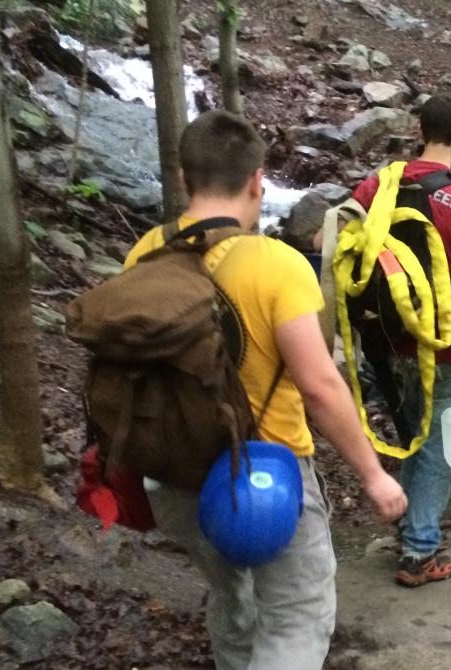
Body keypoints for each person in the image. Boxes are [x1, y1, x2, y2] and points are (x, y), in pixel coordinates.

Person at [124, 110, 407, 669]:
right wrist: (373, 475)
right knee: (298, 617)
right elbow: (320, 386)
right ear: (257, 181)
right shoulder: (276, 264)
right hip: (264, 482)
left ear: (184, 179)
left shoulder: (144, 254)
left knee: (232, 598)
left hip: (176, 474)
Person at [349, 94, 451, 587]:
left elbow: (326, 241)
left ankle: (410, 525)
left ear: (420, 130)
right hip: (443, 345)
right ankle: (418, 552)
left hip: (387, 339)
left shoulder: (378, 186)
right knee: (437, 444)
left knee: (412, 433)